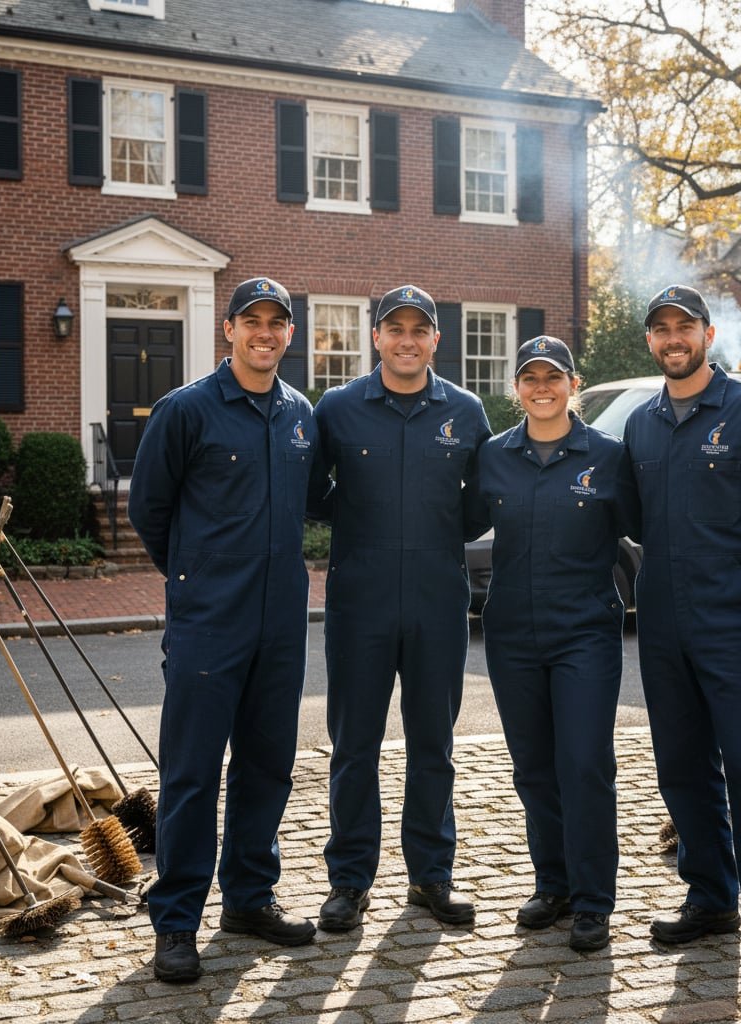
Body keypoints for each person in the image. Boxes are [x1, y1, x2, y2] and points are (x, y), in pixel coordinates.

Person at [128, 277, 330, 983]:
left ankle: (248, 898)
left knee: (267, 764)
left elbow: (314, 501)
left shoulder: (301, 414)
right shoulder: (186, 409)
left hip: (282, 620)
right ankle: (176, 920)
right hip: (209, 621)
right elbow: (149, 510)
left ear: (289, 334)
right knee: (191, 773)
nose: (264, 333)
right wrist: (195, 578)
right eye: (252, 321)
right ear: (230, 329)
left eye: (277, 322)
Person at [623, 284, 741, 984]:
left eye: (686, 327)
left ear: (707, 334)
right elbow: (633, 522)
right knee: (682, 770)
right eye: (662, 329)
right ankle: (710, 897)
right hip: (663, 627)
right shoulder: (641, 425)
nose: (674, 339)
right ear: (651, 340)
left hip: (738, 627)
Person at [311, 285, 491, 932]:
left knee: (433, 744)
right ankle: (349, 881)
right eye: (396, 329)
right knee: (354, 745)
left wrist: (431, 533)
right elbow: (312, 492)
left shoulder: (466, 411)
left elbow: (480, 504)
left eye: (420, 329)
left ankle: (431, 876)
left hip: (437, 600)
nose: (407, 340)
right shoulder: (337, 408)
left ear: (436, 339)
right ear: (377, 336)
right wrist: (367, 523)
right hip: (359, 601)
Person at [466, 336, 639, 952]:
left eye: (553, 377)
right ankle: (554, 884)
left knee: (584, 764)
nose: (542, 387)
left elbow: (651, 527)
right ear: (516, 388)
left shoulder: (609, 456)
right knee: (534, 766)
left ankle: (593, 899)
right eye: (530, 378)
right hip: (512, 634)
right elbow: (453, 521)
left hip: (585, 634)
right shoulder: (494, 455)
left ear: (573, 384)